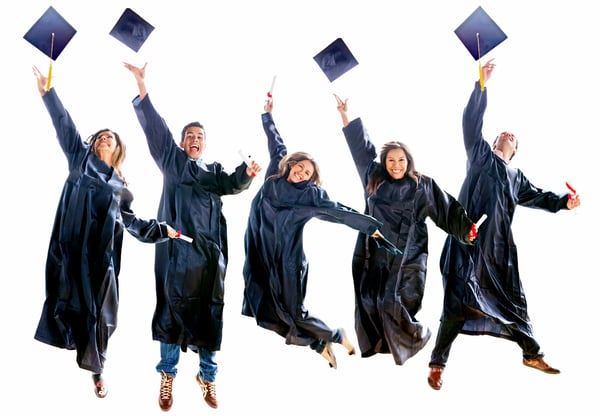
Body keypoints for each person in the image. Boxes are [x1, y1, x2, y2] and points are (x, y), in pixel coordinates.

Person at [427, 59, 582, 390]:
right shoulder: (480, 155)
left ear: (515, 151)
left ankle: (531, 353)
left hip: (498, 251)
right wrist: (481, 84)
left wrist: (564, 202)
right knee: (456, 299)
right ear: (496, 143)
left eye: (513, 136)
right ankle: (438, 363)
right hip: (467, 240)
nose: (508, 134)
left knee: (513, 301)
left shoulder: (516, 178)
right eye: (503, 133)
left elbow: (540, 197)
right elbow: (471, 121)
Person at [32, 66, 178, 399]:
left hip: (101, 257)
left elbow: (133, 223)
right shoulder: (79, 159)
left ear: (117, 149)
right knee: (66, 299)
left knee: (101, 311)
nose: (103, 138)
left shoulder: (121, 188)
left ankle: (97, 369)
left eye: (109, 137)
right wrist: (47, 93)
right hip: (71, 247)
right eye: (99, 135)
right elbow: (64, 125)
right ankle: (80, 352)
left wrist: (163, 230)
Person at [124, 62, 260, 411]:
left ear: (204, 143)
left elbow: (233, 184)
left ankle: (208, 377)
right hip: (176, 251)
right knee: (171, 312)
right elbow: (155, 129)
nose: (195, 140)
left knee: (210, 314)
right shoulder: (172, 161)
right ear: (183, 143)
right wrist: (142, 85)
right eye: (190, 136)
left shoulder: (213, 173)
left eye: (200, 137)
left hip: (209, 257)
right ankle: (167, 375)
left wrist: (247, 172)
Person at [242, 96, 399, 370]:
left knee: (294, 313)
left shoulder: (310, 196)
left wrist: (371, 228)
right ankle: (318, 344)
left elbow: (339, 211)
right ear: (292, 164)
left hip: (287, 262)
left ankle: (335, 335)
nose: (302, 173)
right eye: (300, 167)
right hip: (260, 255)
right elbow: (276, 142)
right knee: (266, 310)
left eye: (308, 173)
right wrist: (267, 116)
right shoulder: (275, 173)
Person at [334, 94, 477, 367]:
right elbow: (361, 148)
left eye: (401, 160)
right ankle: (383, 345)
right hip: (373, 253)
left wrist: (466, 230)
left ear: (408, 161)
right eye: (391, 161)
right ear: (384, 162)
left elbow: (445, 210)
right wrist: (345, 115)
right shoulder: (373, 178)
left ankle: (417, 336)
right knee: (369, 300)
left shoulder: (421, 185)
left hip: (408, 257)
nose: (396, 165)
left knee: (395, 301)